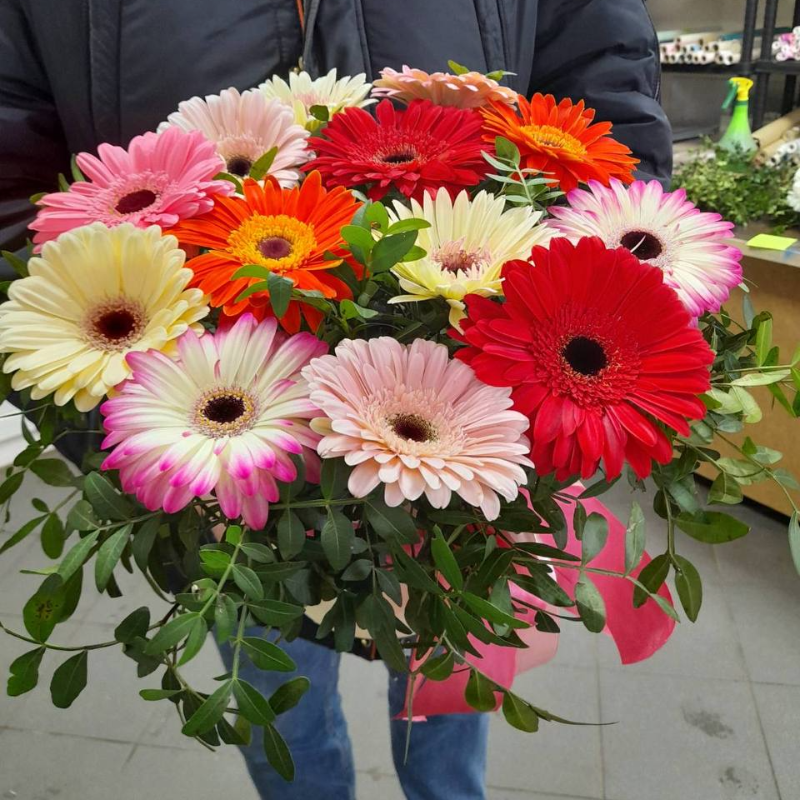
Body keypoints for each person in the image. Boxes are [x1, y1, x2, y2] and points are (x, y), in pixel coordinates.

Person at [0, 2, 672, 798]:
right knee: (275, 691)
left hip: (468, 416)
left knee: (449, 684)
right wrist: (117, 414)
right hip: (209, 450)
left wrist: (572, 346)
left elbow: (607, 121)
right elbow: (15, 181)